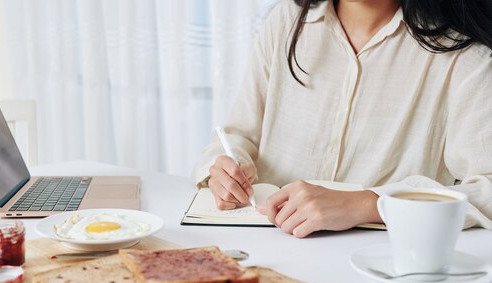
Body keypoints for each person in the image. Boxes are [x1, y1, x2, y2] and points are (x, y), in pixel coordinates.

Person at [194, 0, 492, 238]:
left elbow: (486, 187)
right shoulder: (285, 21)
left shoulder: (464, 57)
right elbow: (237, 134)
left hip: (378, 263)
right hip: (263, 244)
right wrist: (223, 168)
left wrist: (367, 204)